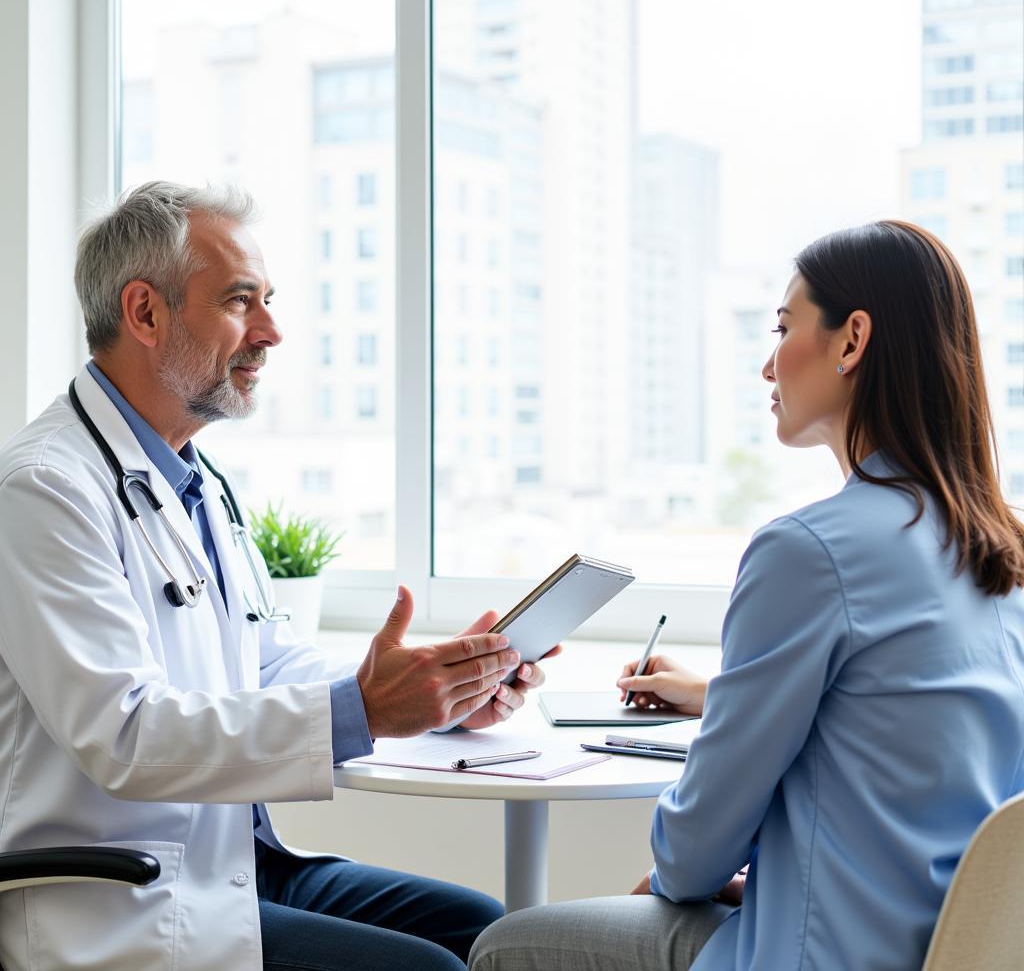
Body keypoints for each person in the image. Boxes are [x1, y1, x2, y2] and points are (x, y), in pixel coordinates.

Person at [0, 181, 559, 971]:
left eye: (267, 301)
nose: (271, 331)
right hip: (119, 895)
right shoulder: (46, 488)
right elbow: (124, 735)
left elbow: (264, 662)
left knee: (488, 929)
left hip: (233, 865)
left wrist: (429, 690)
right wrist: (363, 710)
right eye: (240, 301)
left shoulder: (195, 483)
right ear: (145, 313)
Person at [469, 220, 1024, 971]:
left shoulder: (809, 552)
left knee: (505, 946)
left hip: (816, 955)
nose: (768, 366)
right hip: (942, 946)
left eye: (785, 327)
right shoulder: (998, 549)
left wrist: (693, 877)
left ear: (851, 340)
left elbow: (694, 850)